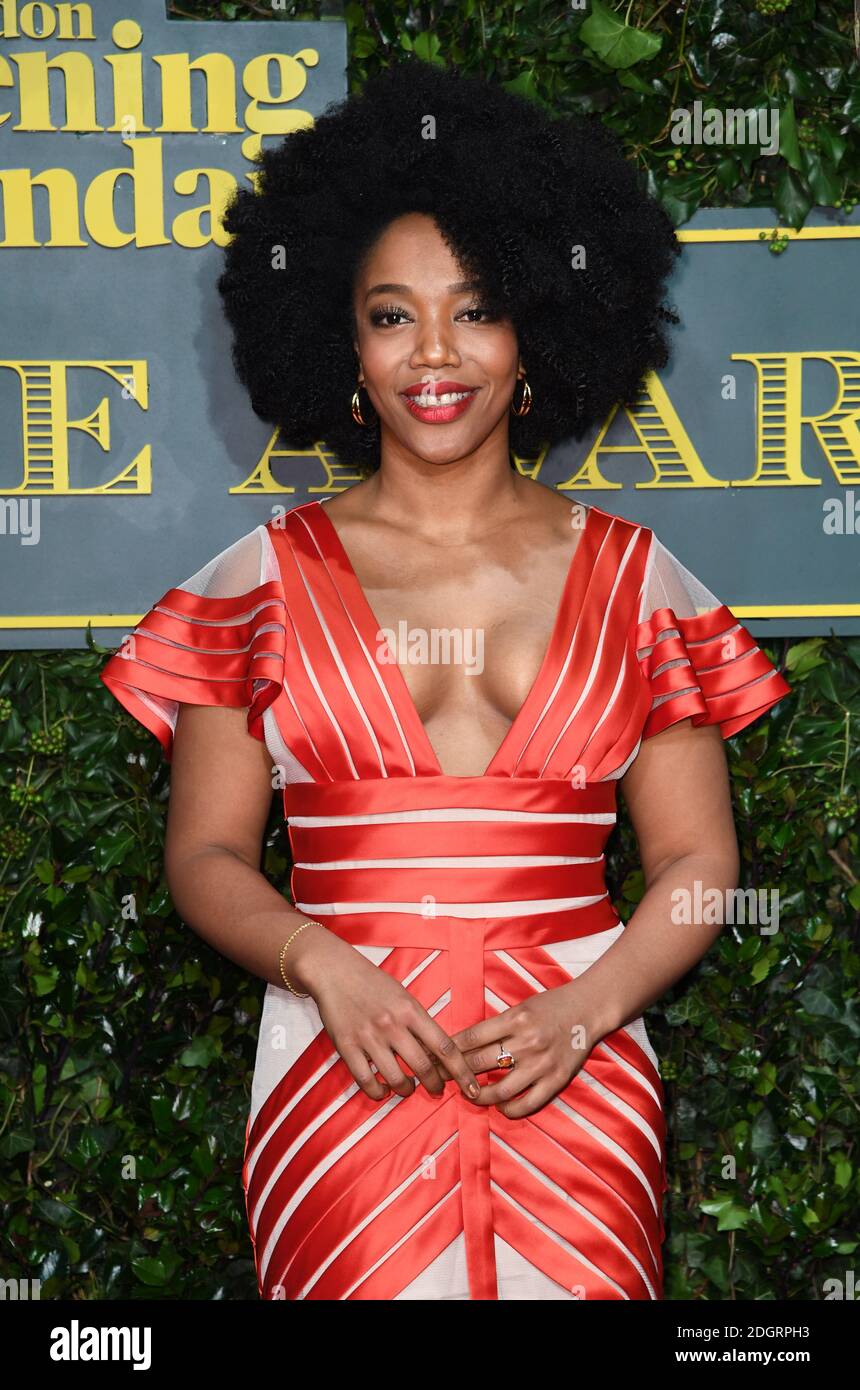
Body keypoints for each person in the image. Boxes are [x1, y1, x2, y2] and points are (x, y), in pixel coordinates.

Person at [100, 58, 791, 1301]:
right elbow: (205, 858)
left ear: (534, 329)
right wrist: (322, 965)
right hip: (340, 1083)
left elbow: (699, 871)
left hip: (577, 1082)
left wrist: (586, 1012)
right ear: (340, 343)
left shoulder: (639, 581)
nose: (434, 352)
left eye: (474, 309)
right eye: (389, 314)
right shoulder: (254, 578)